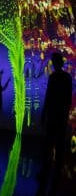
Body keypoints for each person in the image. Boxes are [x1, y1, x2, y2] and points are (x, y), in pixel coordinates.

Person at [40, 51, 73, 181]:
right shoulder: (66, 78)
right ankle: (56, 175)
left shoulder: (53, 77)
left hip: (53, 115)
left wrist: (44, 113)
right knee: (59, 144)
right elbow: (68, 98)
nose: (53, 63)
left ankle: (46, 173)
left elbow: (48, 97)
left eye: (53, 61)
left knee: (49, 143)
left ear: (56, 62)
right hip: (60, 115)